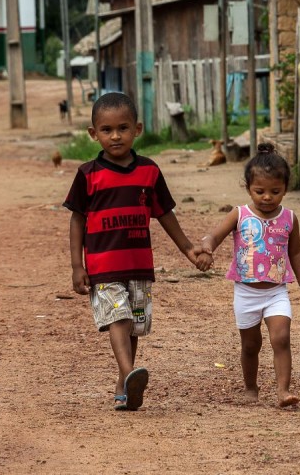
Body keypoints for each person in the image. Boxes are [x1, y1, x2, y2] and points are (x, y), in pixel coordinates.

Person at [63, 92, 201, 411]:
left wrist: (189, 249)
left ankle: (123, 388)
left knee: (134, 326)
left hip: (139, 267)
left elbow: (165, 214)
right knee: (119, 319)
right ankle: (128, 373)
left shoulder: (149, 172)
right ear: (93, 133)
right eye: (107, 130)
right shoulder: (87, 175)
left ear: (137, 129)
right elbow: (77, 220)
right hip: (103, 268)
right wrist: (76, 265)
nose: (115, 136)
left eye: (123, 128)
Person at [195, 143, 300, 408]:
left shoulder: (290, 218)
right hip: (246, 293)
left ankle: (283, 390)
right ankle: (251, 387)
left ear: (285, 188)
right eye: (259, 191)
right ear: (248, 188)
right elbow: (215, 235)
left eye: (275, 192)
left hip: (276, 292)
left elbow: (295, 254)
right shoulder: (239, 214)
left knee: (281, 338)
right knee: (251, 345)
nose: (267, 197)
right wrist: (207, 249)